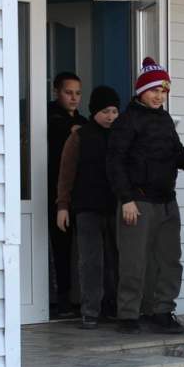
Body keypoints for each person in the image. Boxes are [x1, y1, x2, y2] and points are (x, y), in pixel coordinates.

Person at [106, 58, 184, 335]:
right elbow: (115, 162)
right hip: (137, 202)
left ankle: (162, 311)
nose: (159, 96)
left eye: (163, 91)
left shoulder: (164, 120)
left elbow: (178, 154)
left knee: (169, 260)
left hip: (166, 202)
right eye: (154, 90)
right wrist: (126, 198)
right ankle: (128, 314)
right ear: (141, 90)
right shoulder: (127, 121)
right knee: (133, 261)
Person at [56, 86, 121, 330]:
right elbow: (66, 174)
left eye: (114, 111)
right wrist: (63, 206)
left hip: (116, 207)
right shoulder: (80, 136)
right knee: (90, 261)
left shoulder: (121, 135)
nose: (110, 117)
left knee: (116, 259)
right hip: (87, 208)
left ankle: (113, 306)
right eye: (105, 111)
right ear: (94, 111)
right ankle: (90, 310)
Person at [47, 71, 87, 318]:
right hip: (53, 190)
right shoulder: (47, 117)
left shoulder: (82, 120)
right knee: (59, 246)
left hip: (79, 192)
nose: (74, 98)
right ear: (56, 92)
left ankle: (79, 297)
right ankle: (61, 299)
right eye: (68, 92)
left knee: (79, 247)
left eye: (78, 93)